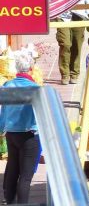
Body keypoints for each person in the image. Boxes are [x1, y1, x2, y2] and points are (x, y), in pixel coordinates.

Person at [0, 49, 41, 205]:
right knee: (25, 176)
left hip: (11, 133)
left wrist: (2, 127)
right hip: (29, 134)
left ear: (17, 67)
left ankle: (8, 200)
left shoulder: (7, 85)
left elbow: (4, 109)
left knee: (12, 168)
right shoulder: (35, 89)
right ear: (31, 68)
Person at [50, 0, 89, 84]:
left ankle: (74, 73)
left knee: (77, 45)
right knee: (65, 44)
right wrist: (54, 16)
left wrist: (88, 16)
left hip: (79, 16)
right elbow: (52, 0)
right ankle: (65, 74)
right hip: (63, 17)